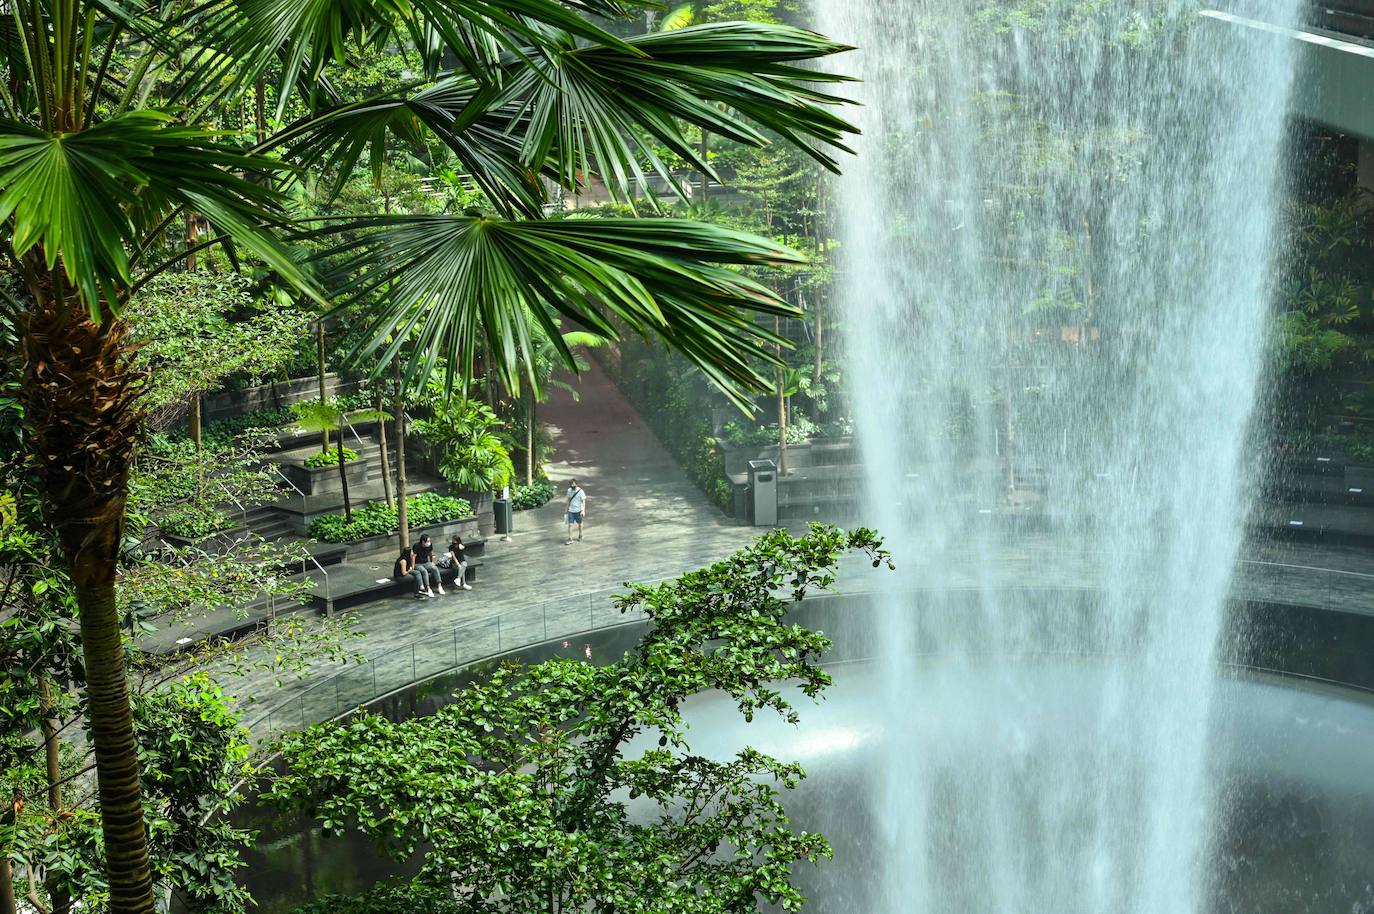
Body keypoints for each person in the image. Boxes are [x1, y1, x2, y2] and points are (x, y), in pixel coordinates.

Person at [565, 479, 586, 545]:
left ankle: (580, 535)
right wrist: (566, 509)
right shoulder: (569, 490)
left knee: (580, 523)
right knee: (570, 524)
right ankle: (570, 538)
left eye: (573, 484)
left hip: (578, 511)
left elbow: (583, 501)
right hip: (571, 510)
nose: (572, 486)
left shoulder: (580, 491)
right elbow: (568, 500)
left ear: (576, 484)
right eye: (571, 485)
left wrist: (583, 510)